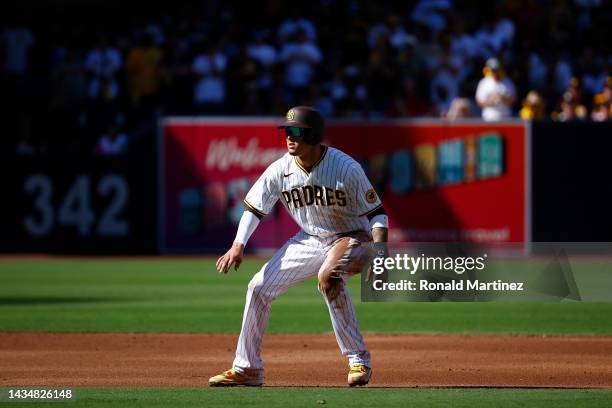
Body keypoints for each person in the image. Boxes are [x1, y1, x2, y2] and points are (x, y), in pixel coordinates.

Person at [209, 106, 389, 387]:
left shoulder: (346, 168)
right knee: (258, 288)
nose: (289, 137)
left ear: (314, 135)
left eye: (296, 132)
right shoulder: (280, 169)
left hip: (353, 237)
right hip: (310, 239)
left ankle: (359, 361)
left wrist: (381, 256)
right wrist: (238, 245)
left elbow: (377, 213)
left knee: (329, 278)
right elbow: (254, 208)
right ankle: (248, 368)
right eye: (287, 131)